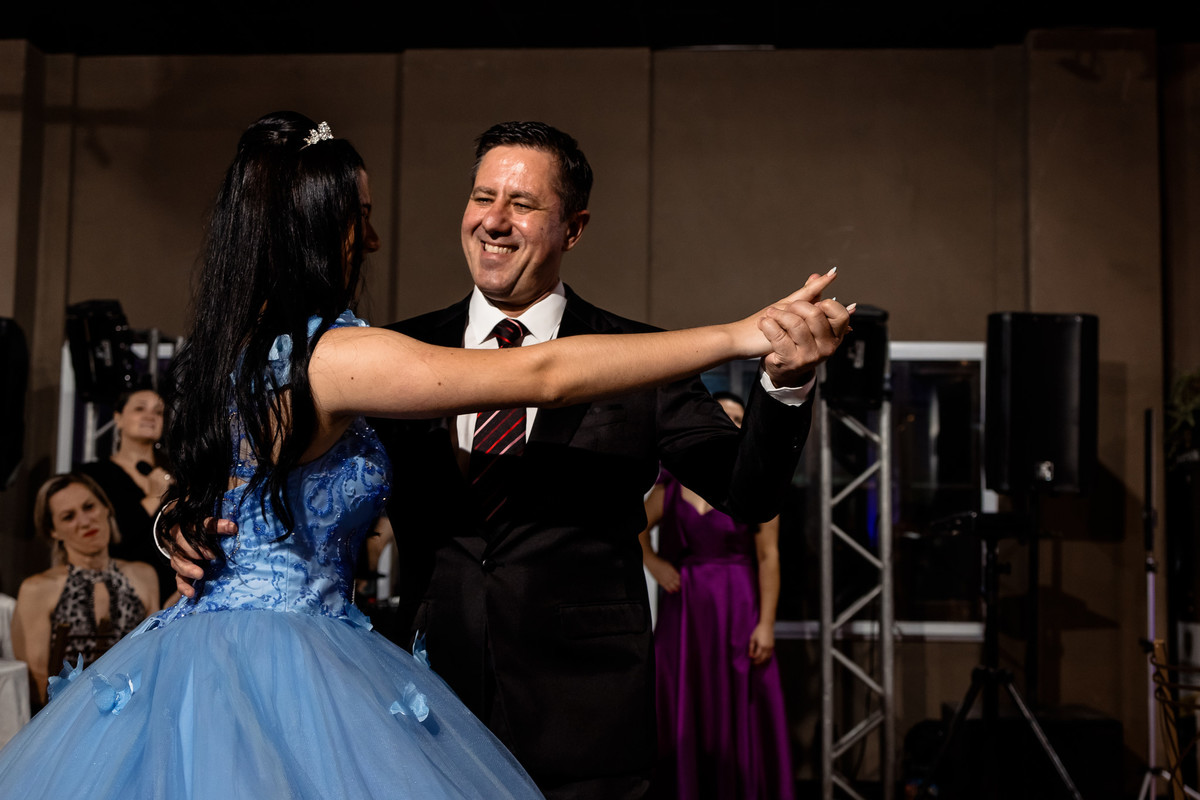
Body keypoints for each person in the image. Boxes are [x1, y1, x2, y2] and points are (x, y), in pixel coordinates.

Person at [0, 111, 843, 799]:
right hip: (385, 696)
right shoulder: (378, 355)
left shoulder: (623, 358)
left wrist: (782, 381)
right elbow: (542, 375)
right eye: (482, 196)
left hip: (576, 707)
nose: (493, 219)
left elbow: (747, 490)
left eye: (523, 203)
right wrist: (740, 331)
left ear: (573, 227)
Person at [640, 391, 794, 800]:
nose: (728, 420)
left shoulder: (760, 483)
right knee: (680, 699)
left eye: (737, 416)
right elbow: (630, 528)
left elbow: (769, 557)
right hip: (684, 607)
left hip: (737, 603)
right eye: (722, 413)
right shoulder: (669, 483)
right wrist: (652, 561)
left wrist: (766, 624)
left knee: (737, 704)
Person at [10, 473, 159, 709]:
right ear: (53, 531)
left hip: (137, 708)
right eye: (68, 517)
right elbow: (37, 684)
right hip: (64, 719)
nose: (85, 521)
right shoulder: (37, 589)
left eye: (89, 507)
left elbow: (153, 654)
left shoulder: (144, 575)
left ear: (106, 509)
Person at [77, 388, 176, 604]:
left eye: (158, 413)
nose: (150, 416)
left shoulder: (176, 476)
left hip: (174, 594)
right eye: (140, 408)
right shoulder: (92, 476)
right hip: (115, 593)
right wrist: (153, 498)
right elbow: (105, 535)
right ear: (118, 418)